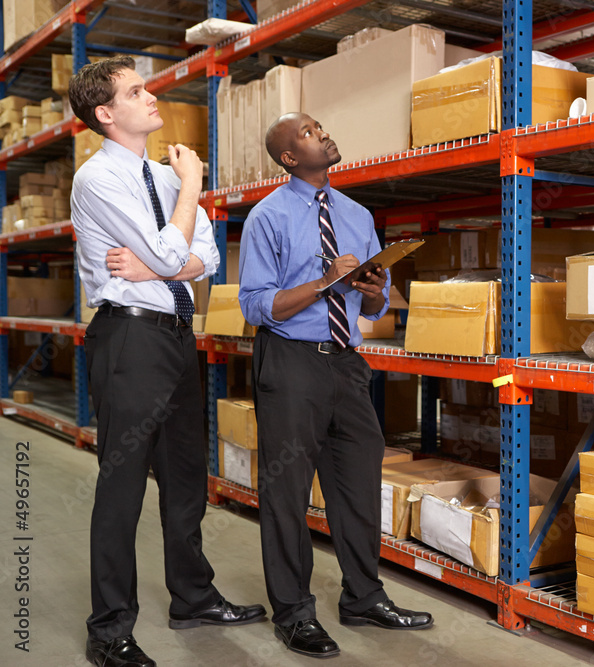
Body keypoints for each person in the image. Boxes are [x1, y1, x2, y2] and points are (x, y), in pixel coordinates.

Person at [69, 55, 266, 667]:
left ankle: (193, 597)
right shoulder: (96, 179)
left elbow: (199, 256)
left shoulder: (162, 174)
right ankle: (109, 630)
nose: (151, 96)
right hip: (128, 340)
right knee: (122, 483)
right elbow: (170, 243)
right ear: (106, 114)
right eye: (135, 91)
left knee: (186, 476)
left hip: (179, 335)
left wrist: (161, 259)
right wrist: (188, 196)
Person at [239, 112, 433, 658]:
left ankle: (364, 597)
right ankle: (294, 613)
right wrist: (325, 282)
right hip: (291, 361)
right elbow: (257, 304)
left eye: (320, 126)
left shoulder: (356, 213)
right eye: (307, 133)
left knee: (357, 482)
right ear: (288, 158)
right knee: (287, 491)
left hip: (347, 362)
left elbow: (374, 303)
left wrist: (370, 289)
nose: (321, 134)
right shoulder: (267, 218)